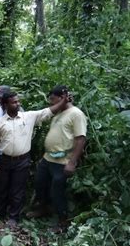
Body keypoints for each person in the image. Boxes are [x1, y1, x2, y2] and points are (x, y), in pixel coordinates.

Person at [0, 91, 69, 227]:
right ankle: (0, 214)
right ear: (5, 104)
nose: (17, 104)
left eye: (18, 101)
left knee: (18, 190)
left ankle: (13, 218)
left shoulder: (28, 117)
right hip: (4, 160)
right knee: (2, 188)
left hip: (22, 161)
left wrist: (63, 101)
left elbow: (48, 111)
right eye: (14, 102)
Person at [28, 85, 87, 228]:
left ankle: (62, 220)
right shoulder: (59, 113)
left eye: (53, 99)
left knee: (57, 191)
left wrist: (72, 162)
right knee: (40, 184)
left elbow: (81, 139)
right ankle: (43, 209)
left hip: (63, 161)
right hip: (48, 158)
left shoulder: (76, 114)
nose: (51, 103)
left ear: (62, 98)